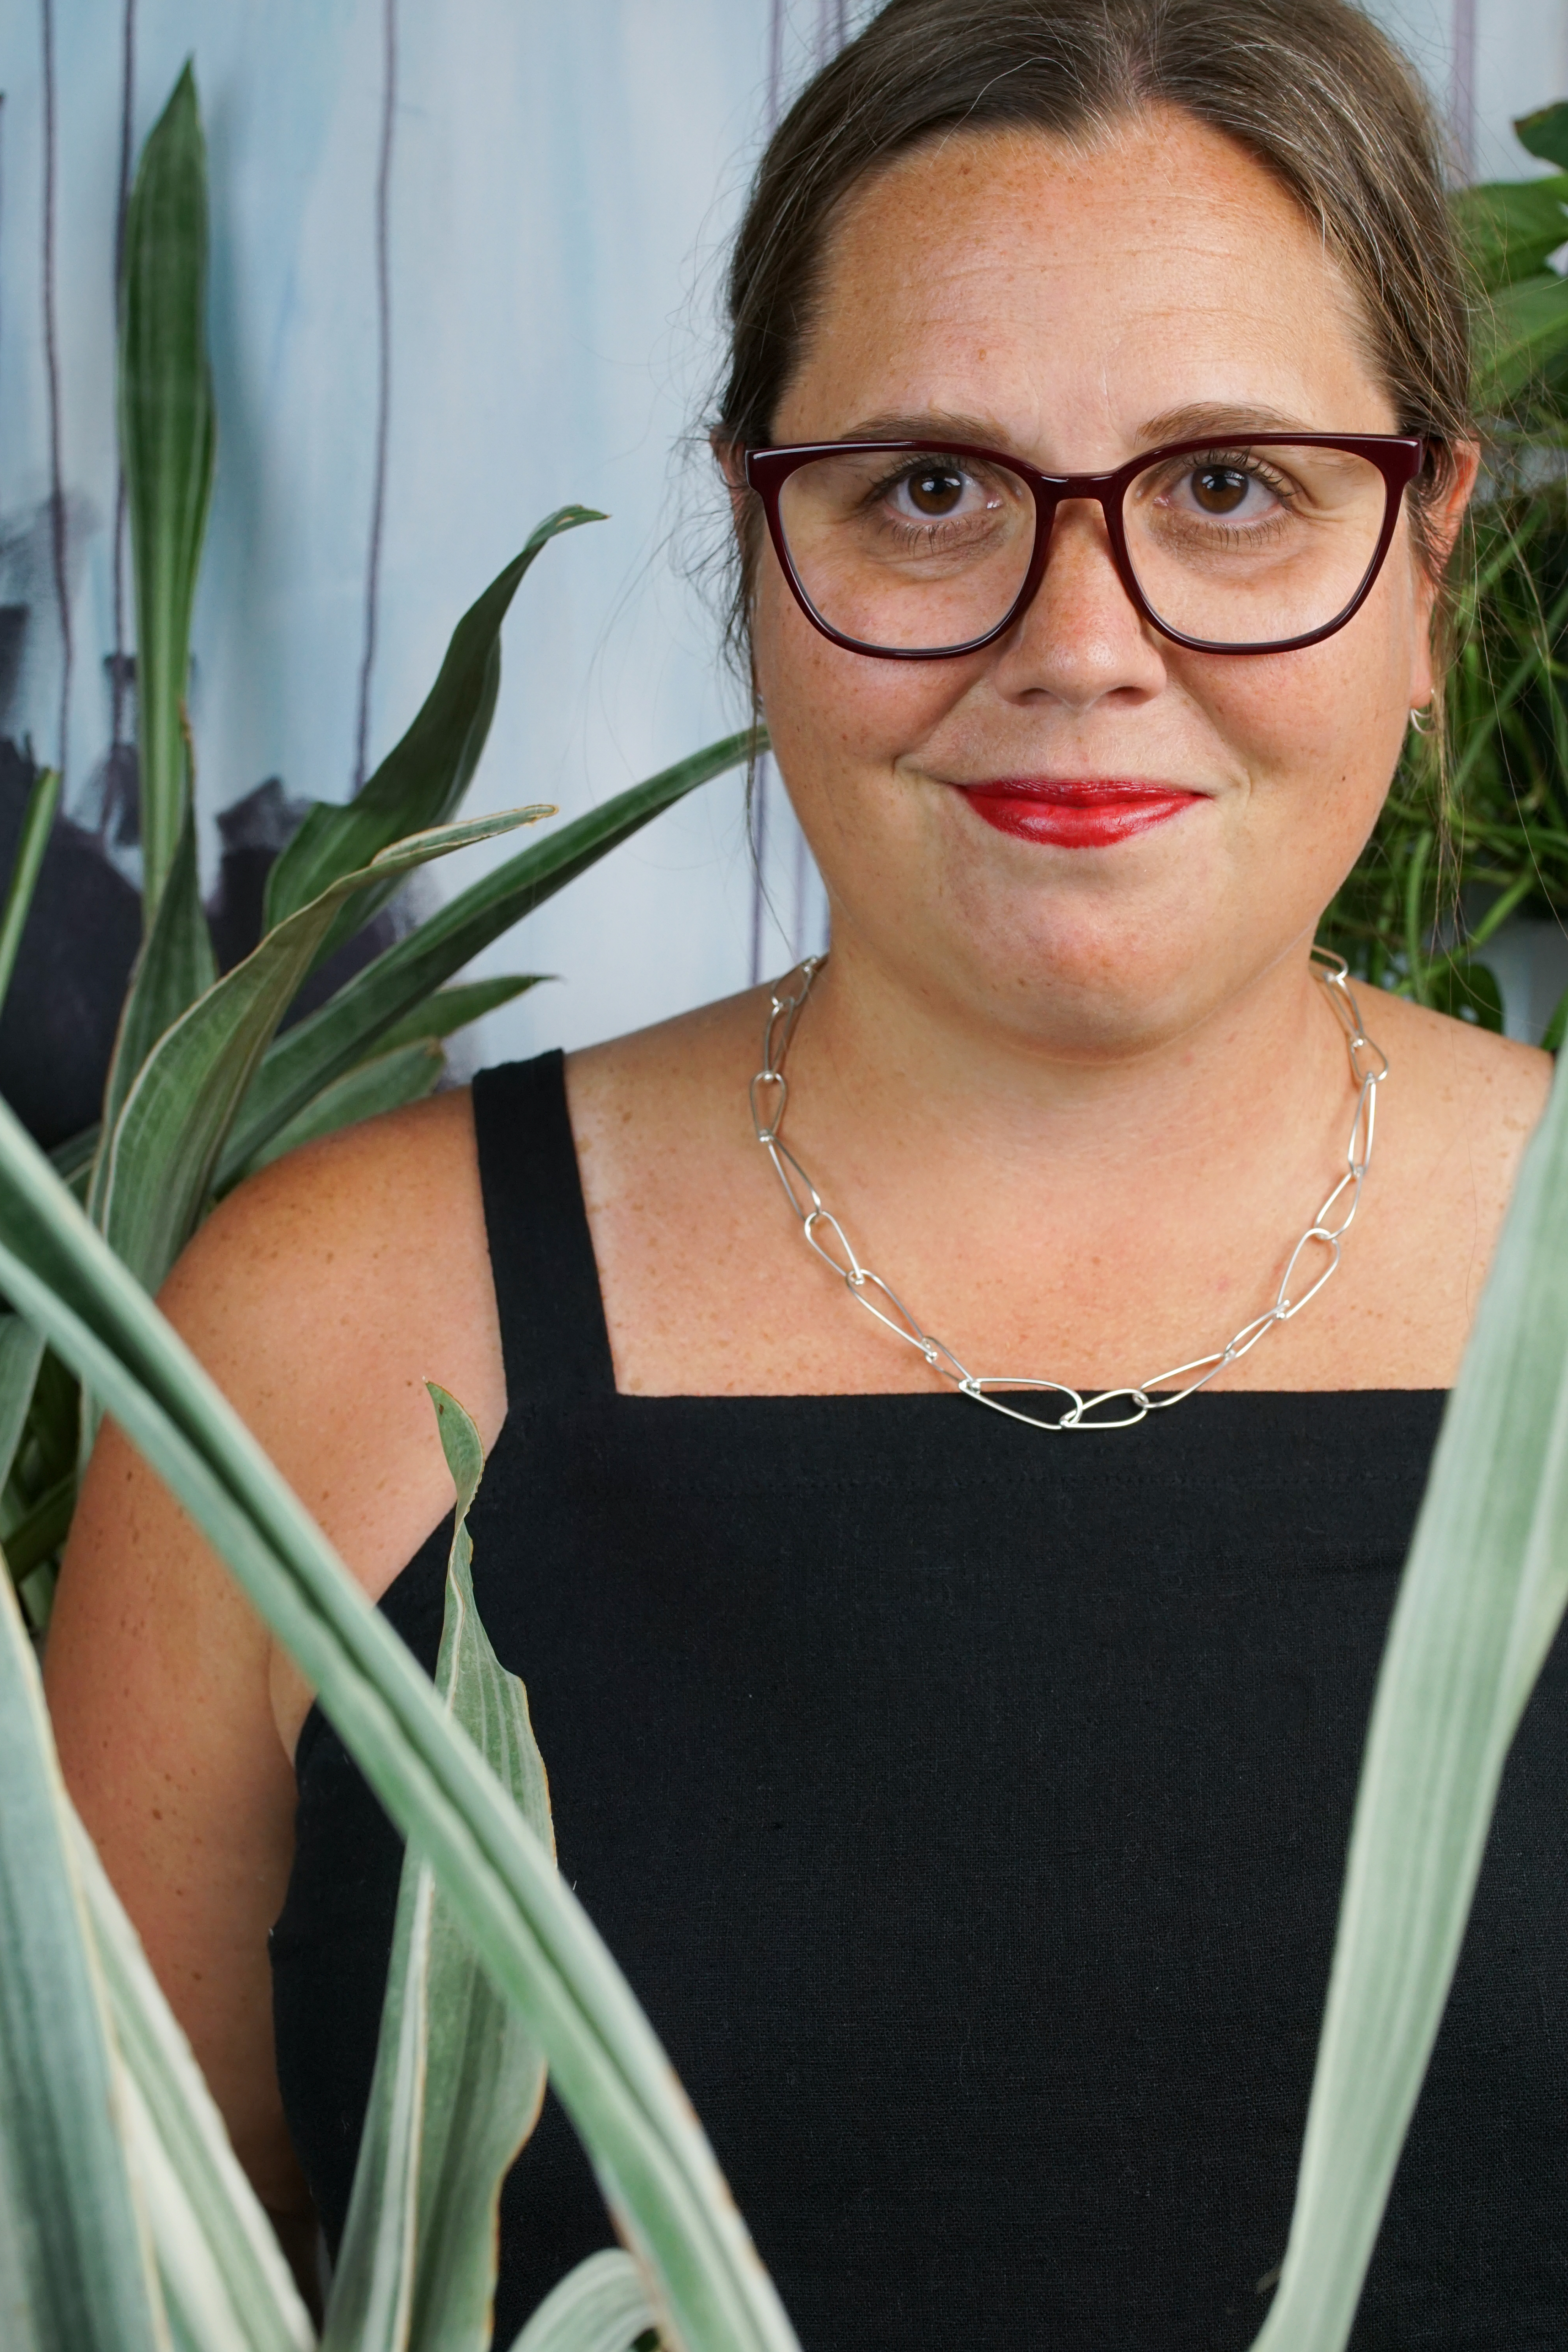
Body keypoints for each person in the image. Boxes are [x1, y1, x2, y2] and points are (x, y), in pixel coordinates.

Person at [45, 0, 1568, 2342]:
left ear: (1428, 557)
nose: (1084, 647)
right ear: (762, 537)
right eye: (932, 487)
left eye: (1232, 486)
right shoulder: (324, 1332)